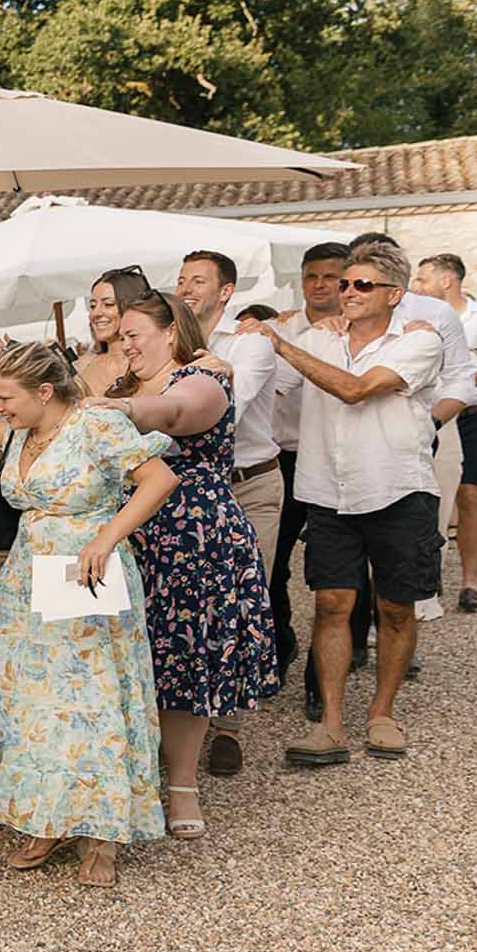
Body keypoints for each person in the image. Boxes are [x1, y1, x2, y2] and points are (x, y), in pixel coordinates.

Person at [0, 344, 178, 887]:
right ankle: (47, 816)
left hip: (85, 576)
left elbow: (159, 480)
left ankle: (102, 834)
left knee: (90, 702)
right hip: (26, 581)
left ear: (45, 392)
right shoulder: (22, 434)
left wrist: (105, 537)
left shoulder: (96, 425)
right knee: (34, 700)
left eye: (6, 398)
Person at [240, 240, 443, 765]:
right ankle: (330, 724)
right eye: (345, 283)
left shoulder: (419, 342)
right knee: (331, 605)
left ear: (395, 294)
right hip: (327, 489)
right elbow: (262, 386)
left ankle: (382, 713)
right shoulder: (315, 337)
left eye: (361, 285)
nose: (346, 292)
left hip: (398, 488)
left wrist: (284, 344)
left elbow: (356, 390)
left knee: (396, 607)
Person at [91, 293, 277, 837]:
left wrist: (123, 410)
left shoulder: (202, 378)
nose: (124, 344)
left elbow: (173, 414)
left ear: (171, 332)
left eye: (134, 334)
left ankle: (183, 787)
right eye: (120, 336)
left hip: (191, 537)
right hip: (122, 535)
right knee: (124, 659)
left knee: (184, 662)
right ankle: (129, 776)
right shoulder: (119, 381)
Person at [173, 250, 282, 777]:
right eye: (181, 279)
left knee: (240, 602)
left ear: (225, 292)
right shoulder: (172, 346)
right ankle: (183, 712)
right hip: (187, 494)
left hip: (249, 486)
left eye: (199, 280)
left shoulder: (251, 343)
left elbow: (224, 409)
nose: (187, 288)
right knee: (187, 605)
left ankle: (230, 726)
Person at [347, 231, 475, 637]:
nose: (354, 287)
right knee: (353, 546)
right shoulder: (340, 309)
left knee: (413, 540)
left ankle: (402, 627)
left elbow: (461, 381)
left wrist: (430, 425)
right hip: (351, 438)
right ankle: (360, 632)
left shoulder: (435, 313)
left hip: (427, 430)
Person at [268, 243, 351, 718]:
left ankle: (324, 677)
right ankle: (281, 647)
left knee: (334, 576)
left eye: (331, 277)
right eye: (312, 276)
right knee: (273, 568)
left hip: (332, 463)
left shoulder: (355, 334)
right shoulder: (280, 329)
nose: (321, 285)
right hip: (282, 460)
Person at [412, 253, 477, 613]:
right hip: (432, 413)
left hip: (475, 414)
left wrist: (475, 357)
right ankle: (428, 575)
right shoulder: (416, 317)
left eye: (422, 279)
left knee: (470, 495)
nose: (416, 286)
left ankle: (469, 581)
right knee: (430, 494)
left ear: (447, 280)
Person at [74, 265, 153, 398]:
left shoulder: (153, 364)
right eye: (92, 306)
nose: (96, 313)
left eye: (108, 304)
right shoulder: (81, 366)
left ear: (133, 306)